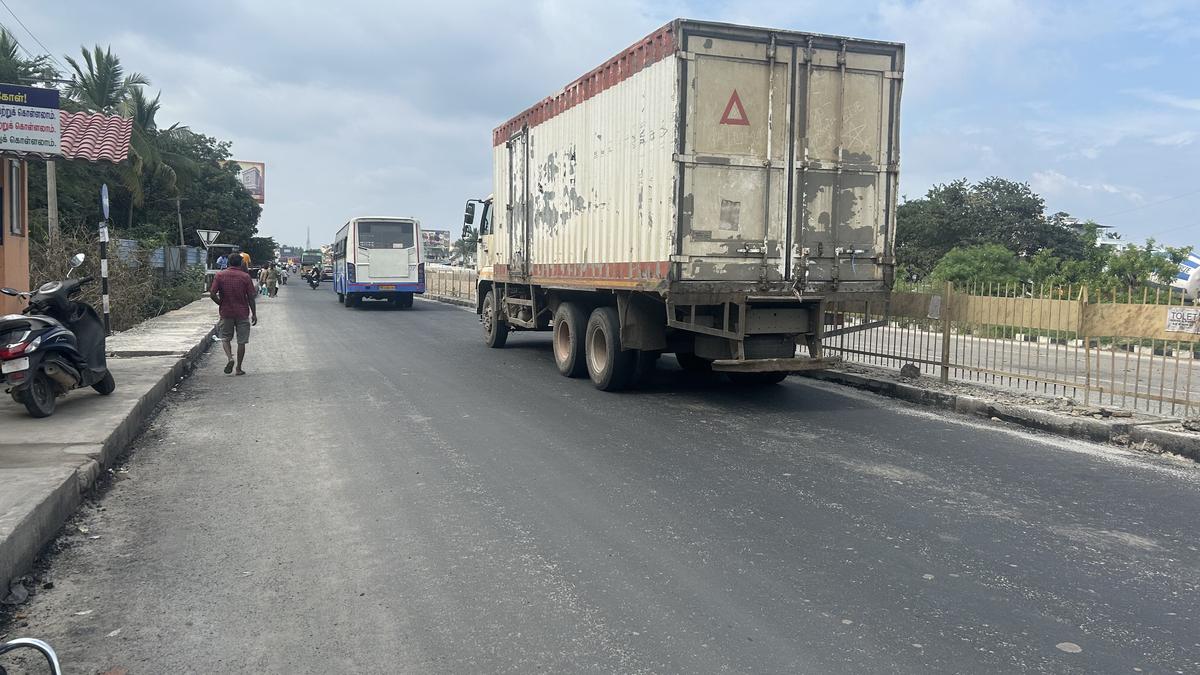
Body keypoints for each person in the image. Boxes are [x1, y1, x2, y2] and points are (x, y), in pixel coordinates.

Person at [209, 253, 257, 376]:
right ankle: (238, 368)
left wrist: (221, 303)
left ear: (228, 262)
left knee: (225, 338)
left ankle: (230, 358)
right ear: (241, 263)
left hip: (226, 312)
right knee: (242, 341)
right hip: (242, 312)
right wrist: (254, 314)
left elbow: (212, 294)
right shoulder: (245, 277)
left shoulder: (220, 275)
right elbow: (251, 297)